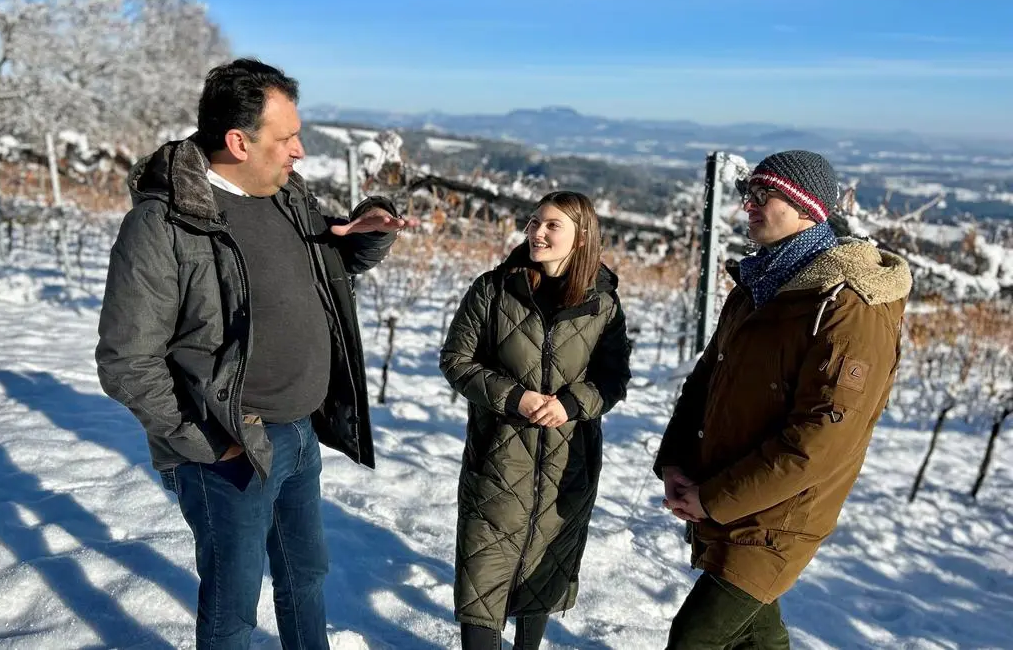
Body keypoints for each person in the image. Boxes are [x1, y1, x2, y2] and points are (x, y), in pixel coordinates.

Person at [95, 58, 411, 649]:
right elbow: (126, 363)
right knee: (234, 607)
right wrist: (210, 444)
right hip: (231, 450)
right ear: (238, 141)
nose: (299, 152)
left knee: (306, 576)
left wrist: (368, 230)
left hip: (300, 434)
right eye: (287, 137)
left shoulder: (287, 196)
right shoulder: (163, 226)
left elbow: (329, 266)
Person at [654, 150, 912, 649]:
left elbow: (823, 438)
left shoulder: (849, 305)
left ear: (806, 208)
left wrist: (715, 498)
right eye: (747, 195)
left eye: (763, 196)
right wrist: (677, 461)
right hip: (728, 491)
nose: (748, 206)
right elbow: (707, 380)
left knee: (694, 637)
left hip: (781, 512)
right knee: (758, 638)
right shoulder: (759, 284)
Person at [440, 191, 632, 649]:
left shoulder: (602, 304)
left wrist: (572, 403)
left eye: (551, 226)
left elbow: (613, 377)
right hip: (499, 458)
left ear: (581, 237)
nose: (536, 233)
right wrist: (514, 398)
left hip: (568, 463)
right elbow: (456, 360)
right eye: (533, 222)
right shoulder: (493, 289)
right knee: (483, 576)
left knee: (544, 571)